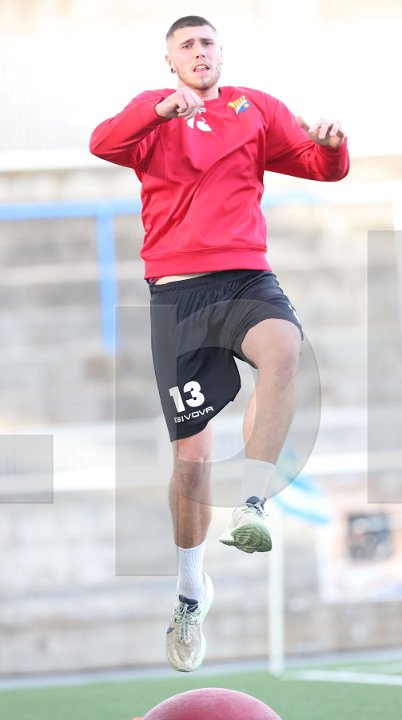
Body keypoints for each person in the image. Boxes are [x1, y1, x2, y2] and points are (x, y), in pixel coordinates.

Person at [90, 15, 349, 672]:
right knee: (193, 460)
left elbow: (320, 167)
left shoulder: (254, 109)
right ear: (170, 60)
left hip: (245, 277)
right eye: (187, 45)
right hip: (177, 294)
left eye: (207, 42)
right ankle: (189, 592)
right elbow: (102, 142)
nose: (199, 52)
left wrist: (332, 145)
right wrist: (159, 111)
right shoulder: (152, 115)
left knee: (284, 349)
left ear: (220, 52)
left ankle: (253, 502)